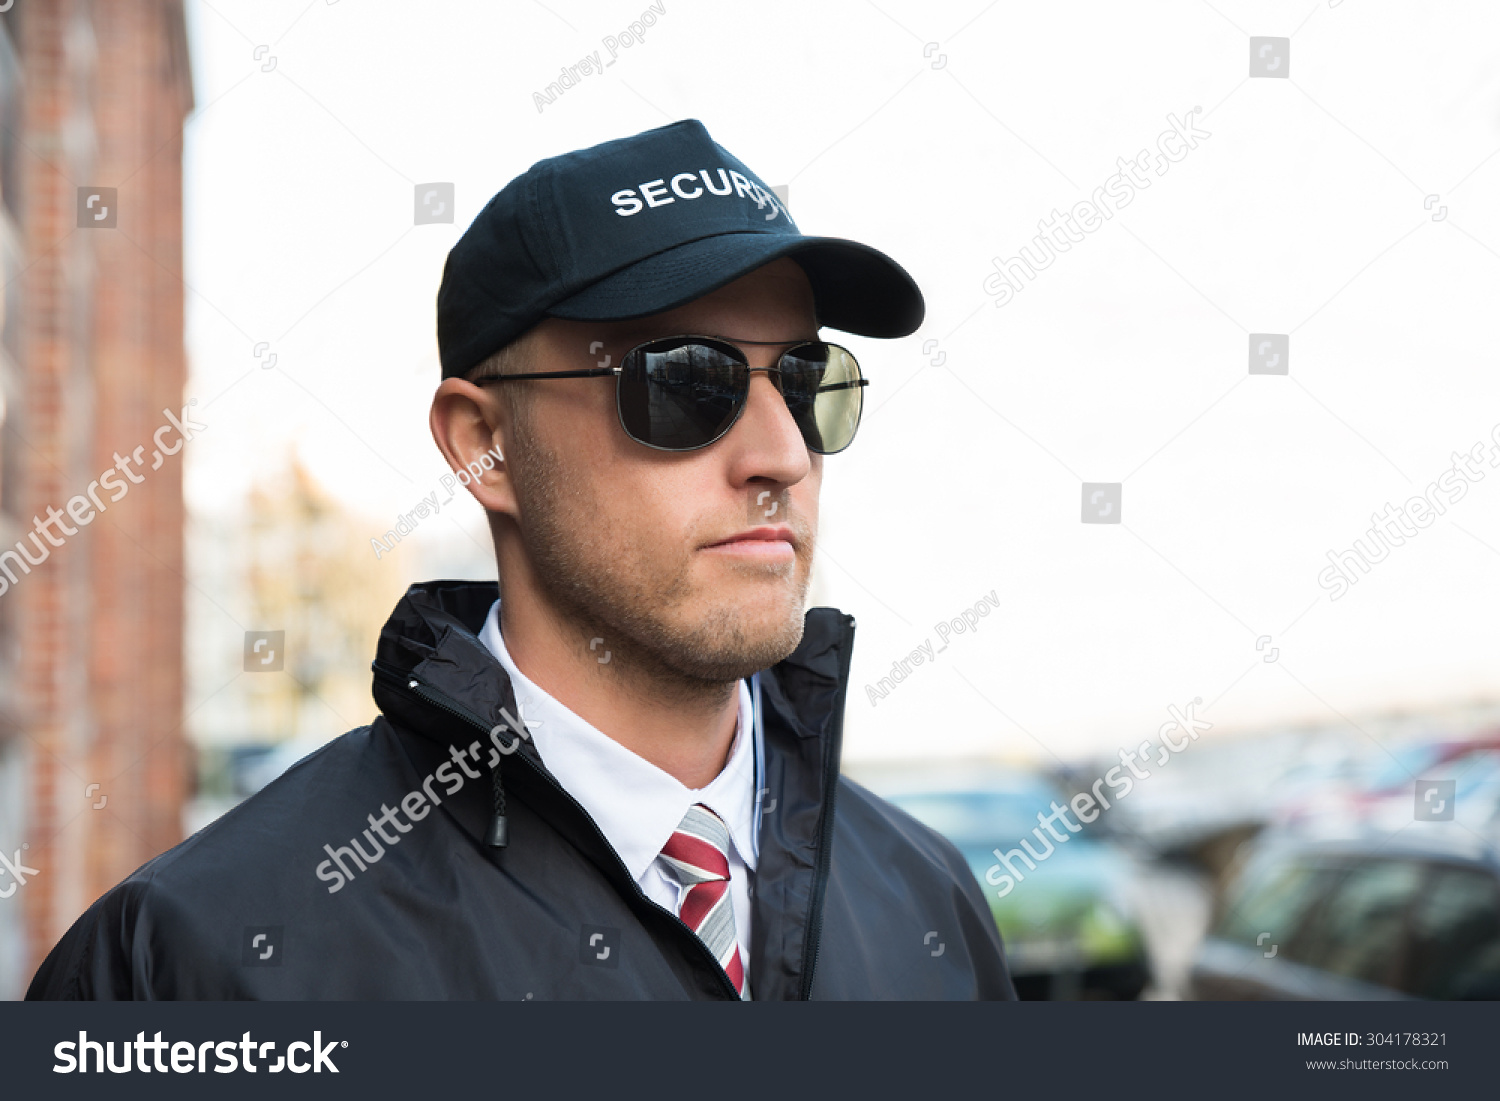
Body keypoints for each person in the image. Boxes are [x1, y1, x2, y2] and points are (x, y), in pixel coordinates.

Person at [28, 119, 1015, 1000]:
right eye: (686, 382)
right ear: (480, 445)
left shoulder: (928, 904)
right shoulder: (199, 962)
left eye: (808, 381)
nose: (783, 456)